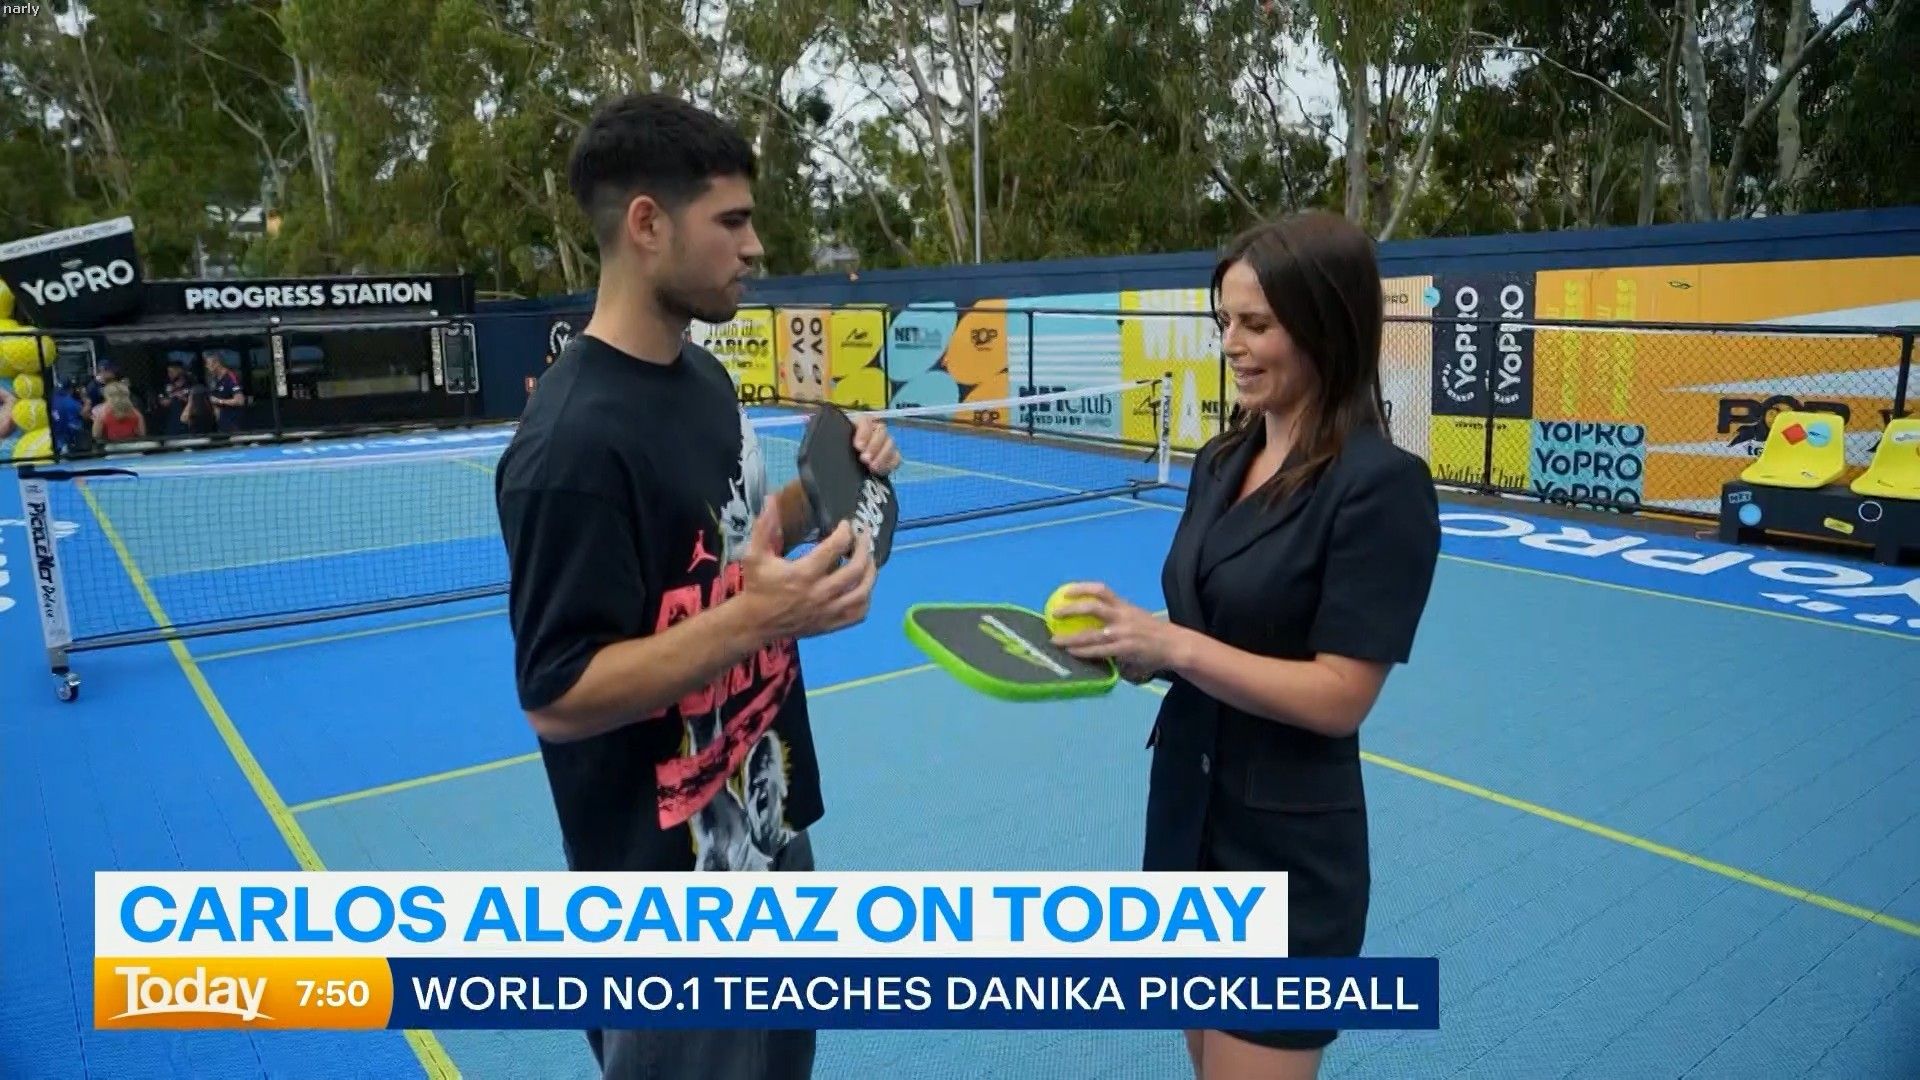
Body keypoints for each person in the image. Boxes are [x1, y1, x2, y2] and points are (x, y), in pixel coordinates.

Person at [491, 93, 900, 1080]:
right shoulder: (570, 447)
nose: (754, 247)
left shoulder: (705, 381)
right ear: (647, 224)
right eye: (732, 221)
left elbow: (737, 539)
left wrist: (832, 484)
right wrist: (754, 621)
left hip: (769, 834)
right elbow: (556, 694)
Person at [1050, 211, 1442, 1080]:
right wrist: (1129, 647)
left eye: (1256, 324)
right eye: (1224, 320)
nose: (1231, 343)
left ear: (1325, 325)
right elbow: (1205, 629)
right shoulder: (1220, 461)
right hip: (1186, 824)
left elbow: (1340, 695)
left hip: (1285, 859)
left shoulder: (1382, 489)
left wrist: (1174, 648)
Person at [92, 379, 146, 443]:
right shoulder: (136, 414)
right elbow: (142, 435)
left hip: (111, 447)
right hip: (132, 447)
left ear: (107, 396)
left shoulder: (102, 414)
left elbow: (96, 436)